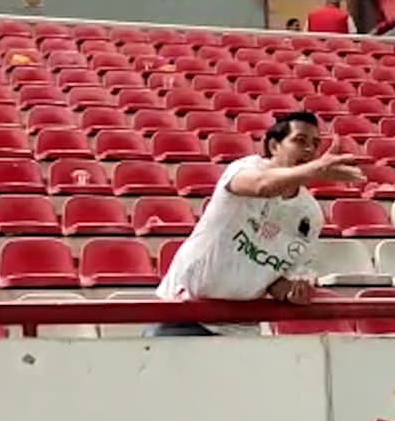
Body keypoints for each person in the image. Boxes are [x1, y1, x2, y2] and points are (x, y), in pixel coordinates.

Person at [149, 112, 364, 336]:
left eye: (315, 144)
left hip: (242, 326)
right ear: (274, 145)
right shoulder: (245, 169)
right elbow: (262, 186)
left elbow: (275, 279)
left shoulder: (310, 214)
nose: (310, 150)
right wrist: (315, 169)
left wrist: (291, 291)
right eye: (300, 141)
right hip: (185, 314)